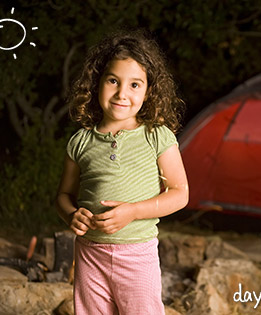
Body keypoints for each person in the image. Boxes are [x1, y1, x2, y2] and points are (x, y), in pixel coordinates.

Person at [56, 29, 188, 315]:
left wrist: (134, 211)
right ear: (97, 82)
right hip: (90, 253)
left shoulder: (157, 136)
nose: (121, 94)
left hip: (136, 254)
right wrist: (70, 214)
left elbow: (180, 194)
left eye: (135, 85)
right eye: (113, 81)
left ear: (149, 91)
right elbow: (64, 195)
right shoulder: (81, 142)